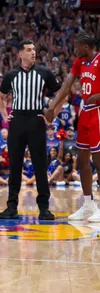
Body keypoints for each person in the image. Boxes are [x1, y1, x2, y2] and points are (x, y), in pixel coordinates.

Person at [0, 39, 60, 220]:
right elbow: (0, 97)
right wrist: (3, 115)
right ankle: (11, 207)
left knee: (40, 165)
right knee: (15, 164)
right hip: (17, 120)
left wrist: (52, 113)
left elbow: (60, 93)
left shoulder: (44, 72)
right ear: (20, 54)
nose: (33, 52)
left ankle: (44, 208)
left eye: (34, 49)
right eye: (28, 50)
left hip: (36, 119)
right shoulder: (11, 75)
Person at [45, 33, 100, 221]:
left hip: (98, 112)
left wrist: (98, 96)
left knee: (99, 161)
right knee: (82, 159)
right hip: (85, 113)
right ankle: (88, 205)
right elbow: (67, 85)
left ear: (86, 46)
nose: (75, 50)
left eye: (77, 47)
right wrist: (52, 106)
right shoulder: (80, 63)